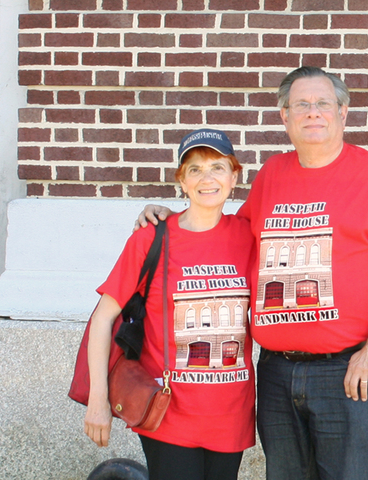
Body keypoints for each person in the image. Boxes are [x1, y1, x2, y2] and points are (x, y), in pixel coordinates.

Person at [136, 67, 368, 480]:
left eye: (322, 104)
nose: (312, 113)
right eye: (301, 105)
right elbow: (224, 234)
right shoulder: (272, 176)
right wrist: (174, 219)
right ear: (284, 116)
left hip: (347, 371)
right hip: (277, 373)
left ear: (343, 113)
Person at [84, 129, 257, 480]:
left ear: (234, 176)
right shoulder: (152, 237)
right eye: (195, 169)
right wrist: (97, 399)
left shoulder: (248, 234)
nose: (207, 178)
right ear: (181, 180)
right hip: (169, 410)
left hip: (232, 410)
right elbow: (103, 319)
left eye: (218, 167)